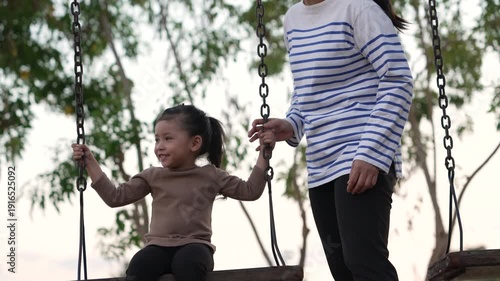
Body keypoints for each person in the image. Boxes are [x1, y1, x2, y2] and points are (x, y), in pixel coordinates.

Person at [248, 0, 413, 280]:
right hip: (321, 163)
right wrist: (291, 123)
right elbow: (306, 89)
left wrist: (371, 153)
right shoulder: (293, 19)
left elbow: (397, 80)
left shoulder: (358, 9)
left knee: (364, 264)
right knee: (342, 270)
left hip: (362, 153)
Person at [72, 104, 275, 281]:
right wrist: (90, 162)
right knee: (139, 266)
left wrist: (264, 154)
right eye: (157, 140)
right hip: (157, 248)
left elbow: (250, 191)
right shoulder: (153, 176)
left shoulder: (211, 175)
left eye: (168, 139)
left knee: (187, 264)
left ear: (194, 143)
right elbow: (115, 197)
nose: (159, 146)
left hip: (196, 247)